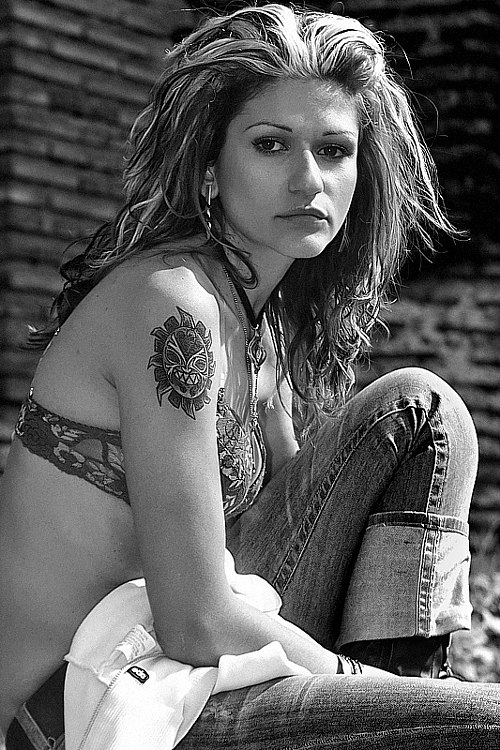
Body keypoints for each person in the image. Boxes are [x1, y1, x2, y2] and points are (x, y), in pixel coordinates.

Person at [1, 4, 499, 749]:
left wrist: (380, 692)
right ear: (210, 167)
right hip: (92, 701)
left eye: (334, 150)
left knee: (423, 409)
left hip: (177, 666)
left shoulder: (257, 322)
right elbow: (198, 620)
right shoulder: (172, 303)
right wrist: (360, 685)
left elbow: (296, 548)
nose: (308, 179)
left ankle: (405, 705)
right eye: (271, 144)